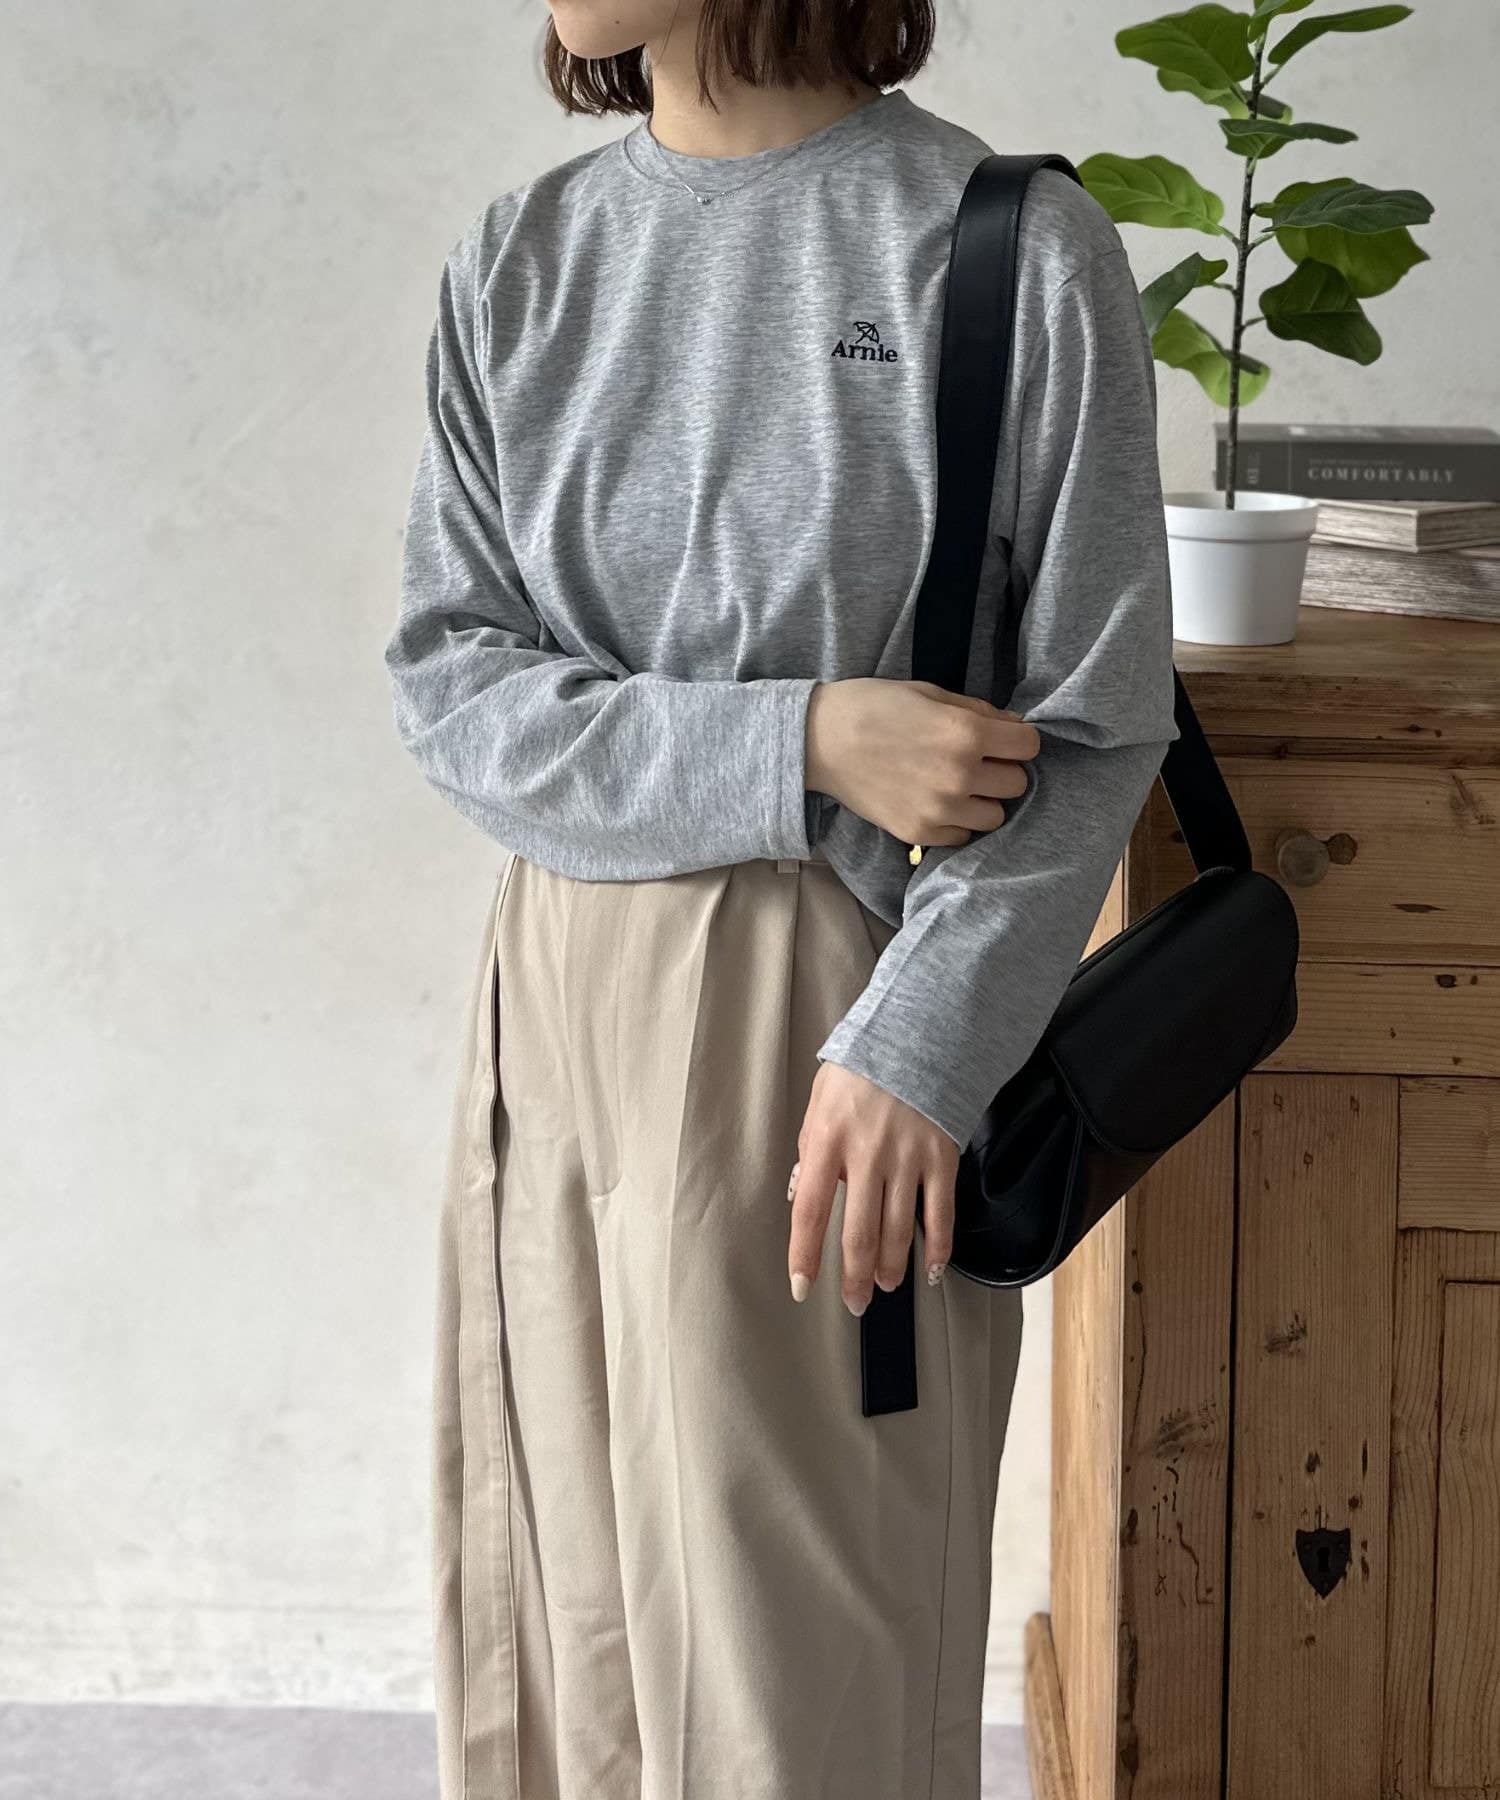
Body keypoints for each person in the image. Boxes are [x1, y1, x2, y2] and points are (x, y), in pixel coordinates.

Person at [383, 2, 1180, 1795]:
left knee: (793, 1672)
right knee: (561, 1629)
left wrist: (921, 1053)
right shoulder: (524, 257)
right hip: (555, 993)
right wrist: (803, 735)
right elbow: (453, 685)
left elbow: (1095, 723)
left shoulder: (1008, 248)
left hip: (839, 1005)